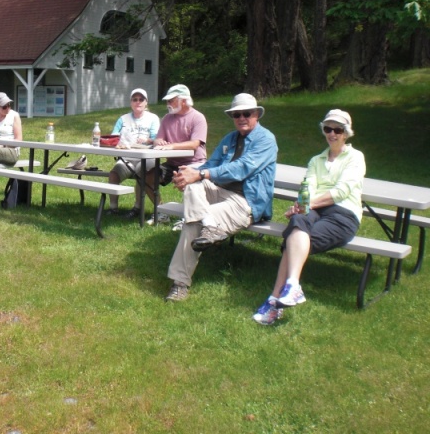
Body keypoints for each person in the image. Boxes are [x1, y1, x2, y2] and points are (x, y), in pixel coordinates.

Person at [253, 109, 365, 325]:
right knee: (297, 223)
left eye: (337, 129)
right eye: (328, 128)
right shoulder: (316, 160)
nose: (332, 133)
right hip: (316, 210)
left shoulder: (355, 157)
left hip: (344, 214)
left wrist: (306, 205)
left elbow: (341, 192)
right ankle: (292, 286)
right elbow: (309, 188)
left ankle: (275, 298)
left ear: (346, 133)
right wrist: (300, 207)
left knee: (293, 241)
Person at [165, 93, 278, 301]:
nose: (241, 117)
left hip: (246, 202)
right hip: (220, 192)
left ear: (256, 115)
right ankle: (211, 226)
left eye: (246, 113)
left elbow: (243, 168)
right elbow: (209, 165)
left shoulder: (266, 140)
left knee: (192, 223)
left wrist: (199, 173)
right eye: (236, 114)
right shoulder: (230, 139)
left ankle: (180, 284)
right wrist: (186, 174)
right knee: (192, 184)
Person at [144, 84, 208, 225]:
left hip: (194, 162)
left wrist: (171, 146)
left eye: (171, 100)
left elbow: (195, 144)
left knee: (189, 182)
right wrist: (159, 142)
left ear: (183, 101)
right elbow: (159, 138)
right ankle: (161, 211)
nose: (168, 104)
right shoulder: (167, 118)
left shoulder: (198, 118)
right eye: (167, 101)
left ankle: (187, 218)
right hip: (172, 163)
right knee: (148, 177)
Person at [105, 88, 161, 218]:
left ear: (146, 102)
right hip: (127, 157)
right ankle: (113, 208)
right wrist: (119, 143)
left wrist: (148, 140)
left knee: (142, 173)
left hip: (147, 157)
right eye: (135, 99)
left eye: (141, 99)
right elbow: (113, 138)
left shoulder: (152, 118)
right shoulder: (123, 119)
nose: (138, 102)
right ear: (131, 102)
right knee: (113, 174)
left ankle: (137, 208)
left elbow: (158, 140)